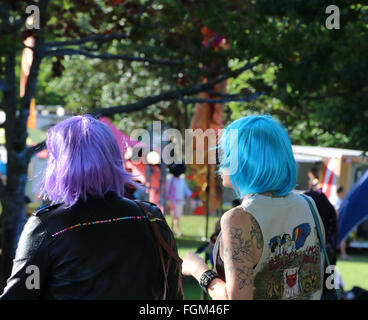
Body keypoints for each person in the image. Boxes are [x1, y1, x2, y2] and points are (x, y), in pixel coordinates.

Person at [0, 115, 183, 300]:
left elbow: (20, 296)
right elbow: (174, 294)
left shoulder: (46, 227)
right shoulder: (151, 217)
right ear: (113, 158)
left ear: (58, 163)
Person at [182, 114, 326, 300]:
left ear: (244, 160)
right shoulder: (310, 204)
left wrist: (199, 270)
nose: (221, 160)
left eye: (227, 153)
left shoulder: (239, 218)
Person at [166, 164, 192, 237]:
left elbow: (186, 189)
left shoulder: (181, 180)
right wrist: (167, 199)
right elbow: (167, 191)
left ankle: (171, 230)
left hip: (180, 201)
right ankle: (178, 231)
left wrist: (191, 195)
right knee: (175, 216)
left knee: (176, 216)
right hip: (173, 201)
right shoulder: (171, 180)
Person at [332, 186, 350, 260]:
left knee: (340, 238)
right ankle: (343, 254)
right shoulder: (337, 201)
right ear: (340, 192)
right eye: (343, 192)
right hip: (338, 222)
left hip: (338, 222)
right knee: (342, 238)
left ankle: (343, 253)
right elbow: (336, 212)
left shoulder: (339, 200)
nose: (344, 193)